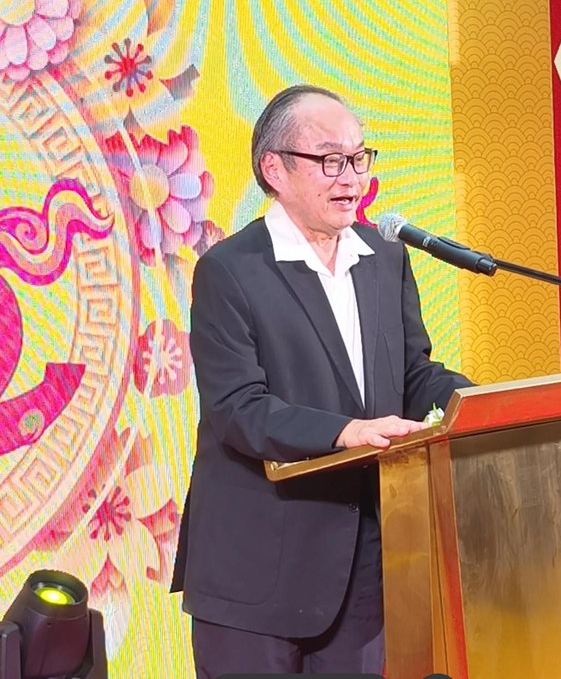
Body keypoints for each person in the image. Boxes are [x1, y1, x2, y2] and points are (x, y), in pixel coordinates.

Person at [171, 85, 473, 677]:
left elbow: (412, 373)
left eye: (359, 158)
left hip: (360, 567)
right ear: (274, 169)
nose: (351, 178)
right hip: (255, 570)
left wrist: (477, 403)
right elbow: (236, 408)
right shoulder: (230, 270)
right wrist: (345, 431)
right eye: (331, 160)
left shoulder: (384, 257)